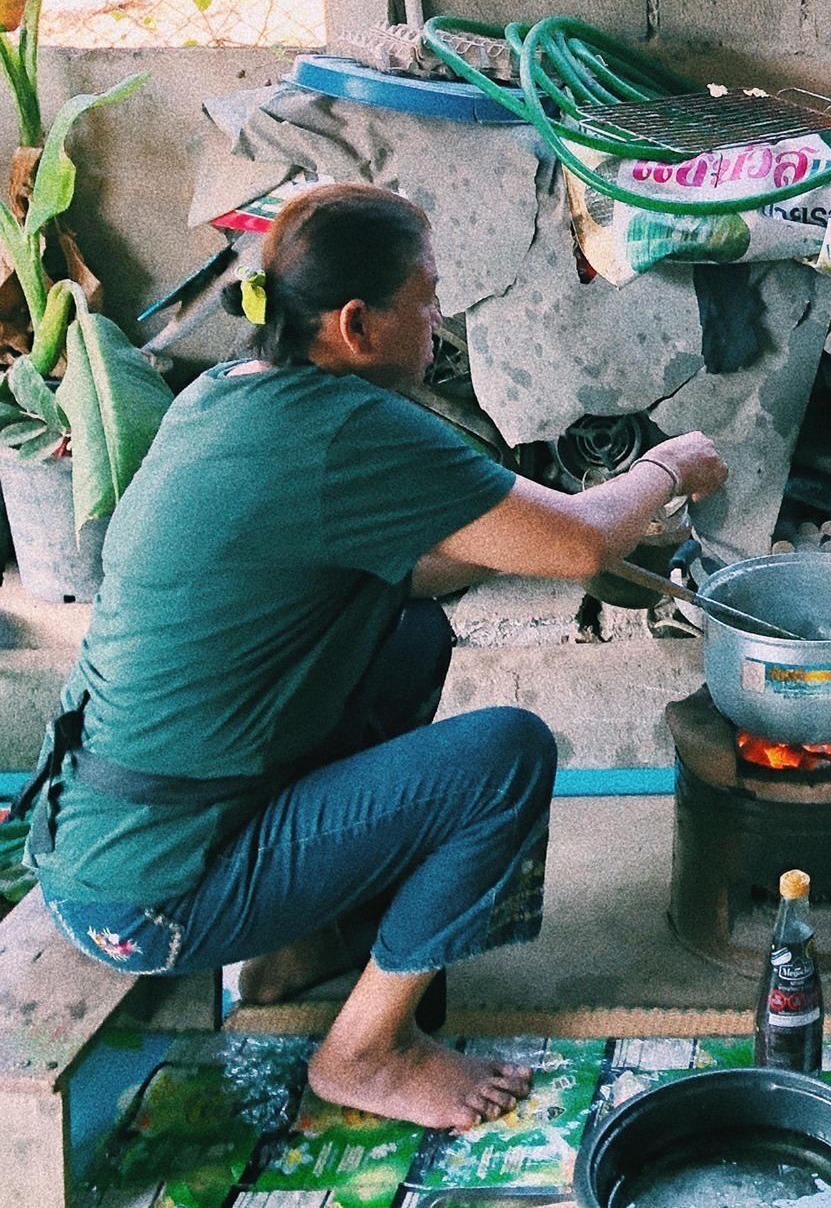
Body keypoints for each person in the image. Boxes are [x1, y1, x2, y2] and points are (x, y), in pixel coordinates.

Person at [15, 183, 728, 1130]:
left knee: (407, 635)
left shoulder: (232, 393)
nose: (437, 321)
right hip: (151, 898)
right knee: (504, 757)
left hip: (96, 852)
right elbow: (583, 545)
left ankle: (295, 947)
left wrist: (507, 536)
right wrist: (671, 466)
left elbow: (417, 572)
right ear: (355, 323)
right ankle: (365, 1051)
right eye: (425, 300)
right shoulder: (351, 428)